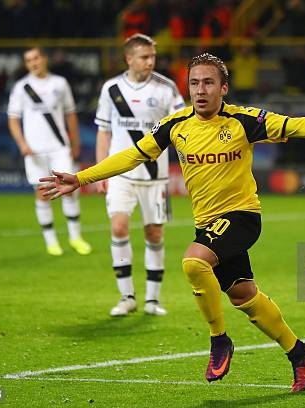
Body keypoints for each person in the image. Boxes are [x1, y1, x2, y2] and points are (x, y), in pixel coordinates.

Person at [39, 53, 305, 392]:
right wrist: (82, 177)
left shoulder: (244, 121)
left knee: (194, 262)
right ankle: (297, 350)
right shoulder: (175, 125)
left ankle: (219, 340)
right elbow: (133, 155)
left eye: (209, 83)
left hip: (242, 216)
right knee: (244, 296)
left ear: (223, 88)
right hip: (208, 223)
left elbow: (297, 126)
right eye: (194, 83)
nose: (200, 90)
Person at [95, 34, 185, 317]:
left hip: (155, 176)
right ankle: (127, 296)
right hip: (120, 173)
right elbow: (104, 131)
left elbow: (183, 129)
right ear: (129, 58)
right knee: (119, 228)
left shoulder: (166, 88)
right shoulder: (111, 89)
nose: (150, 62)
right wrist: (100, 172)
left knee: (154, 233)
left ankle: (153, 300)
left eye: (153, 57)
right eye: (144, 57)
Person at [8, 47, 92, 256]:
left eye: (36, 58)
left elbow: (70, 115)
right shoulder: (21, 87)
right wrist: (22, 144)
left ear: (44, 59)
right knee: (42, 194)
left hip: (59, 147)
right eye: (28, 60)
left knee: (69, 189)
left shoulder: (59, 83)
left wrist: (75, 144)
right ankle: (51, 241)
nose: (33, 62)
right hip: (34, 151)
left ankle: (75, 237)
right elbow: (13, 119)